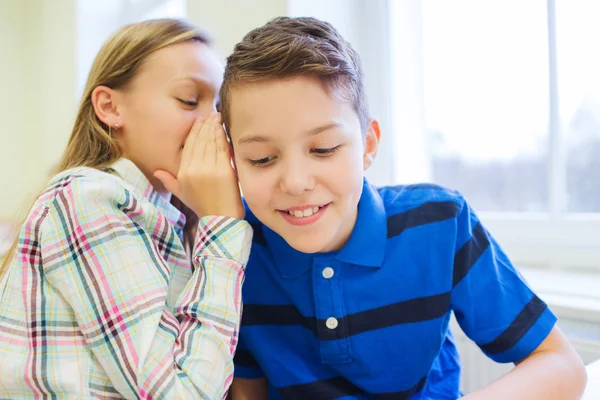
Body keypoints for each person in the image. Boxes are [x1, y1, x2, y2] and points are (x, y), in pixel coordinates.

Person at [221, 17, 587, 399]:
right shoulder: (235, 250)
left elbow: (560, 365)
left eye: (323, 149)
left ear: (367, 145)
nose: (296, 182)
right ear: (233, 162)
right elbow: (248, 390)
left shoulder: (439, 223)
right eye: (262, 159)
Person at [0, 18, 251, 399]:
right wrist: (225, 226)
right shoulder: (89, 198)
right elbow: (183, 393)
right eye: (188, 99)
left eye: (219, 108)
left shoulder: (172, 216)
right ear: (109, 106)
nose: (213, 124)